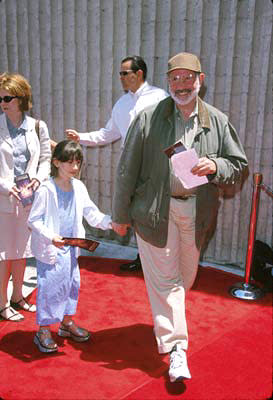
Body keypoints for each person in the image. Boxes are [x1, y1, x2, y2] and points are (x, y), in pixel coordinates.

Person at [111, 52, 248, 382]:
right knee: (167, 282)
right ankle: (177, 349)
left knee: (183, 279)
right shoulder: (148, 117)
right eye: (175, 78)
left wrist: (215, 166)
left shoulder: (216, 120)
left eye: (189, 78)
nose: (182, 84)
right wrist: (120, 214)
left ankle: (168, 320)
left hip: (195, 212)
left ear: (201, 80)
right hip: (154, 212)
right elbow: (127, 168)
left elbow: (238, 165)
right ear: (167, 82)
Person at [66, 55, 168, 271]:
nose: (120, 77)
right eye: (120, 73)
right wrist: (80, 137)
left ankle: (158, 262)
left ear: (139, 73)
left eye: (124, 73)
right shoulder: (122, 103)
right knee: (135, 212)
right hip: (130, 167)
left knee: (152, 213)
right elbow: (107, 134)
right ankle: (143, 259)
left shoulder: (159, 97)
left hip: (154, 166)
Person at [28, 140, 112, 353]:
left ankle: (66, 322)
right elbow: (34, 220)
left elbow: (91, 213)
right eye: (69, 163)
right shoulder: (46, 189)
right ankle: (44, 330)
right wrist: (51, 236)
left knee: (72, 284)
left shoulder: (79, 187)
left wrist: (112, 223)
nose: (74, 167)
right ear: (56, 162)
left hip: (72, 247)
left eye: (78, 163)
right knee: (49, 287)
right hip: (52, 248)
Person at [0, 72, 51, 322]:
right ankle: (1, 303)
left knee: (21, 251)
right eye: (0, 98)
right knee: (3, 255)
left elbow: (45, 158)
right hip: (3, 200)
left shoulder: (37, 126)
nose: (3, 102)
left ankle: (18, 297)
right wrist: (4, 185)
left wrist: (38, 179)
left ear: (21, 98)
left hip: (28, 199)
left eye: (7, 97)